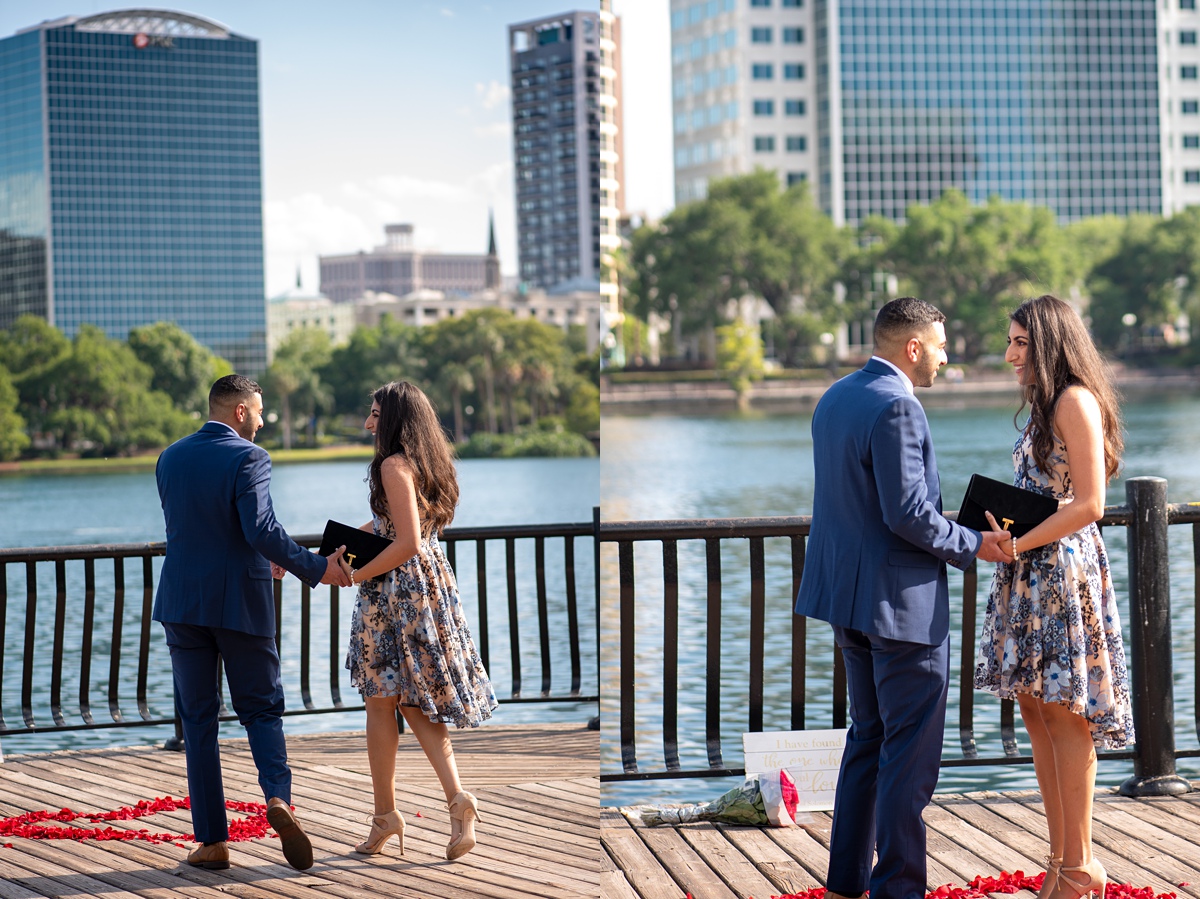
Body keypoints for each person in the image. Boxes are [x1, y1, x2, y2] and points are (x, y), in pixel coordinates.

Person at [794, 297, 1011, 899]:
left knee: (867, 738)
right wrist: (977, 544)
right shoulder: (898, 406)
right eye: (941, 345)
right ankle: (897, 890)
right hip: (900, 607)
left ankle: (846, 881)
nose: (947, 356)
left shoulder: (836, 395)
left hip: (848, 601)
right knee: (909, 759)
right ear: (913, 347)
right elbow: (909, 514)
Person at [153, 374, 352, 871]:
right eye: (259, 411)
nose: (263, 421)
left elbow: (199, 528)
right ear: (240, 411)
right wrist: (317, 566)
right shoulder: (249, 457)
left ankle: (212, 842)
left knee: (198, 722)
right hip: (239, 602)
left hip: (181, 603)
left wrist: (262, 556)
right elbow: (260, 529)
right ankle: (278, 798)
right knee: (261, 710)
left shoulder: (170, 457)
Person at [974, 295, 1134, 899]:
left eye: (1020, 343)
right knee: (1038, 712)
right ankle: (1061, 857)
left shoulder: (1074, 400)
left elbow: (1090, 503)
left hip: (1060, 571)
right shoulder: (1046, 405)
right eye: (1010, 342)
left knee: (1068, 716)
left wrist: (1018, 544)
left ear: (1048, 344)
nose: (1010, 354)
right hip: (1031, 570)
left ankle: (1080, 863)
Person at [344, 380, 498, 860]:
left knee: (380, 702)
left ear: (392, 419)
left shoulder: (391, 464)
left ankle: (386, 815)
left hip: (394, 590)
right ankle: (457, 802)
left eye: (374, 414)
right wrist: (334, 547)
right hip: (426, 585)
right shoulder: (427, 463)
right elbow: (398, 528)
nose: (368, 423)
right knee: (414, 703)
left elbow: (403, 541)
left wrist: (354, 575)